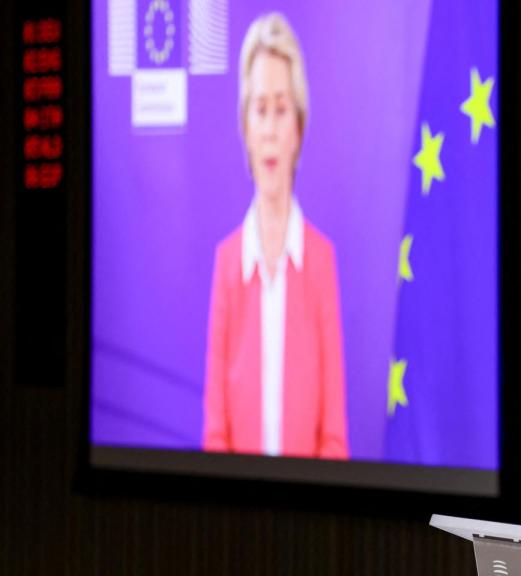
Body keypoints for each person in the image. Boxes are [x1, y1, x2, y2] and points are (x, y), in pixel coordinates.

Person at [203, 12, 349, 459]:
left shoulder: (321, 259)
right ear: (244, 128)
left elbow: (334, 438)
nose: (269, 129)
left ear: (298, 128)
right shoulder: (227, 262)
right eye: (259, 109)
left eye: (281, 110)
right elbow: (214, 436)